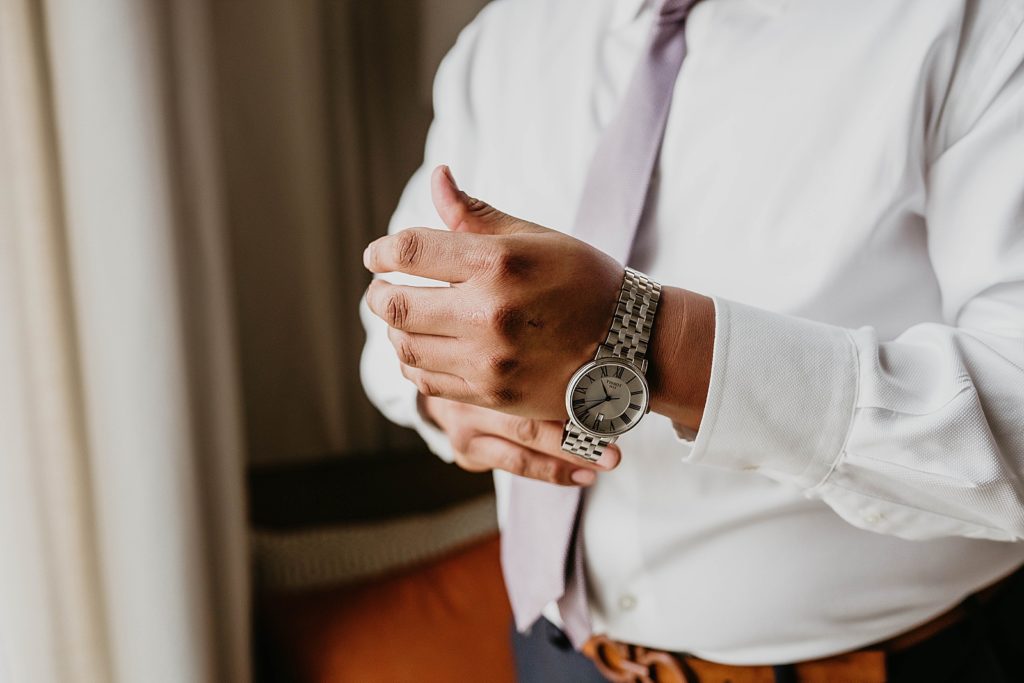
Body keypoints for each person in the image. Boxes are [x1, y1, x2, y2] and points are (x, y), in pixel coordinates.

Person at [360, 0, 1024, 680]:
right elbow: (394, 301)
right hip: (559, 654)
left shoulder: (983, 25)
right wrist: (450, 395)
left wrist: (658, 342)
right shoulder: (510, 33)